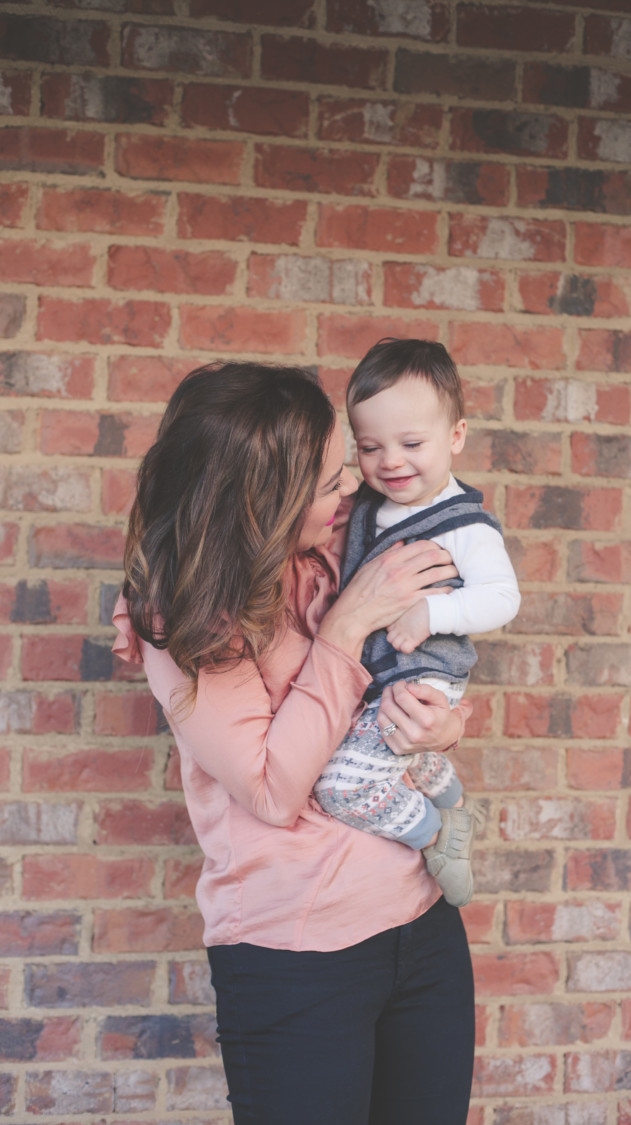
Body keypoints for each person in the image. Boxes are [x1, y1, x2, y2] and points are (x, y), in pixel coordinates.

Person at [112, 360, 476, 1125]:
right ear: (262, 500)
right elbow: (274, 789)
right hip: (299, 956)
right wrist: (345, 629)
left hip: (421, 923)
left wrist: (440, 724)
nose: (353, 491)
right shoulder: (186, 620)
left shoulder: (333, 556)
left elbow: (413, 673)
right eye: (329, 482)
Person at [314, 339, 520, 908]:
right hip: (382, 679)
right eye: (370, 447)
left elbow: (503, 597)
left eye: (411, 443)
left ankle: (438, 836)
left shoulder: (464, 525)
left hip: (425, 674)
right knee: (402, 746)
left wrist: (434, 611)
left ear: (456, 436)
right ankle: (452, 801)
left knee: (341, 786)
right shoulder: (369, 507)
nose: (391, 462)